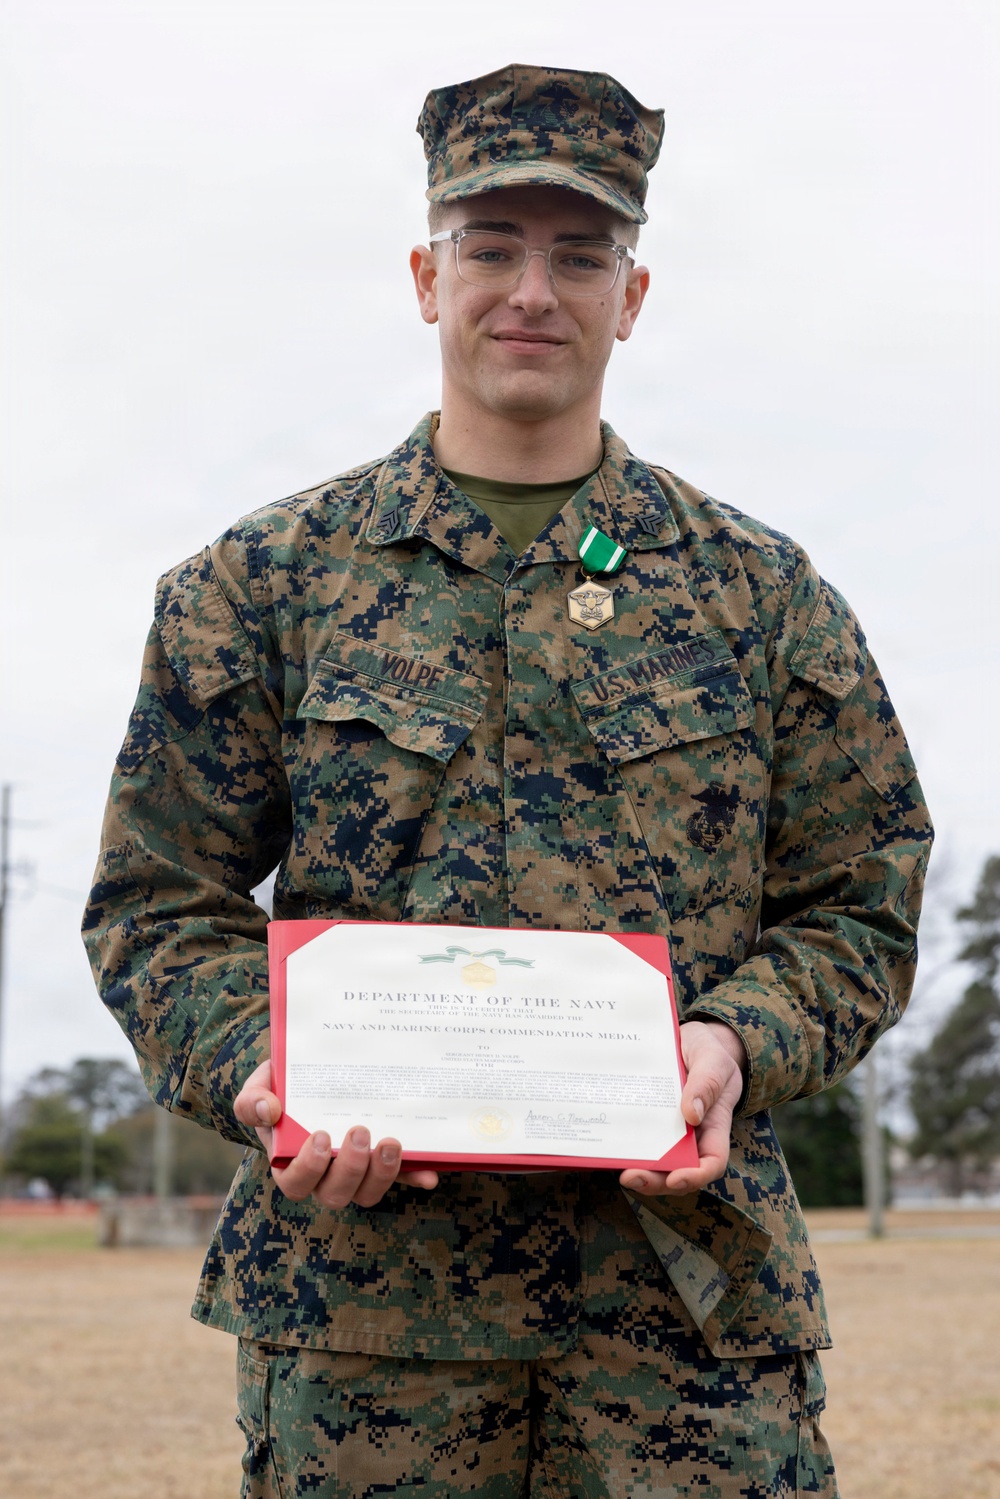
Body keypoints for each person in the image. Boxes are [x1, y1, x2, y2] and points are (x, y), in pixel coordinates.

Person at [83, 63, 932, 1498]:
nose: (532, 289)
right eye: (491, 247)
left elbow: (864, 901)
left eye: (580, 253)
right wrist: (259, 1074)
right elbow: (158, 904)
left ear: (631, 295)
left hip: (687, 1330)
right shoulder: (262, 587)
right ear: (428, 276)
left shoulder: (762, 597)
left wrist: (735, 1043)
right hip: (370, 1339)